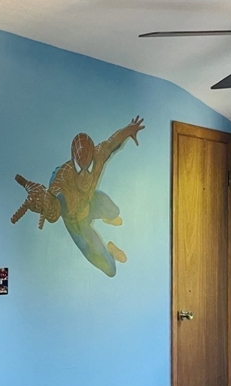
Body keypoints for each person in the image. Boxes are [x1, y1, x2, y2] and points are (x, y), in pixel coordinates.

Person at [11, 116, 144, 277]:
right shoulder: (62, 181)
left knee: (115, 212)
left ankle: (109, 217)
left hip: (90, 201)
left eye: (88, 168)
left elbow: (112, 142)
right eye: (79, 169)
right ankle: (111, 250)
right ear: (74, 163)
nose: (85, 177)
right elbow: (54, 209)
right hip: (77, 224)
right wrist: (42, 203)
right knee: (110, 269)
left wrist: (129, 129)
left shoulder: (99, 154)